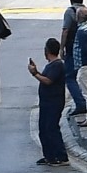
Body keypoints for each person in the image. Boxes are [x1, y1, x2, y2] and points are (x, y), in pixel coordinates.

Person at [27, 36, 72, 165]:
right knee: (44, 129)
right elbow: (46, 77)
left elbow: (48, 81)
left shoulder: (57, 65)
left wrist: (35, 74)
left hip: (54, 102)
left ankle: (61, 156)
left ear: (47, 51)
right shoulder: (51, 65)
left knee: (51, 128)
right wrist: (36, 71)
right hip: (47, 102)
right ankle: (49, 155)